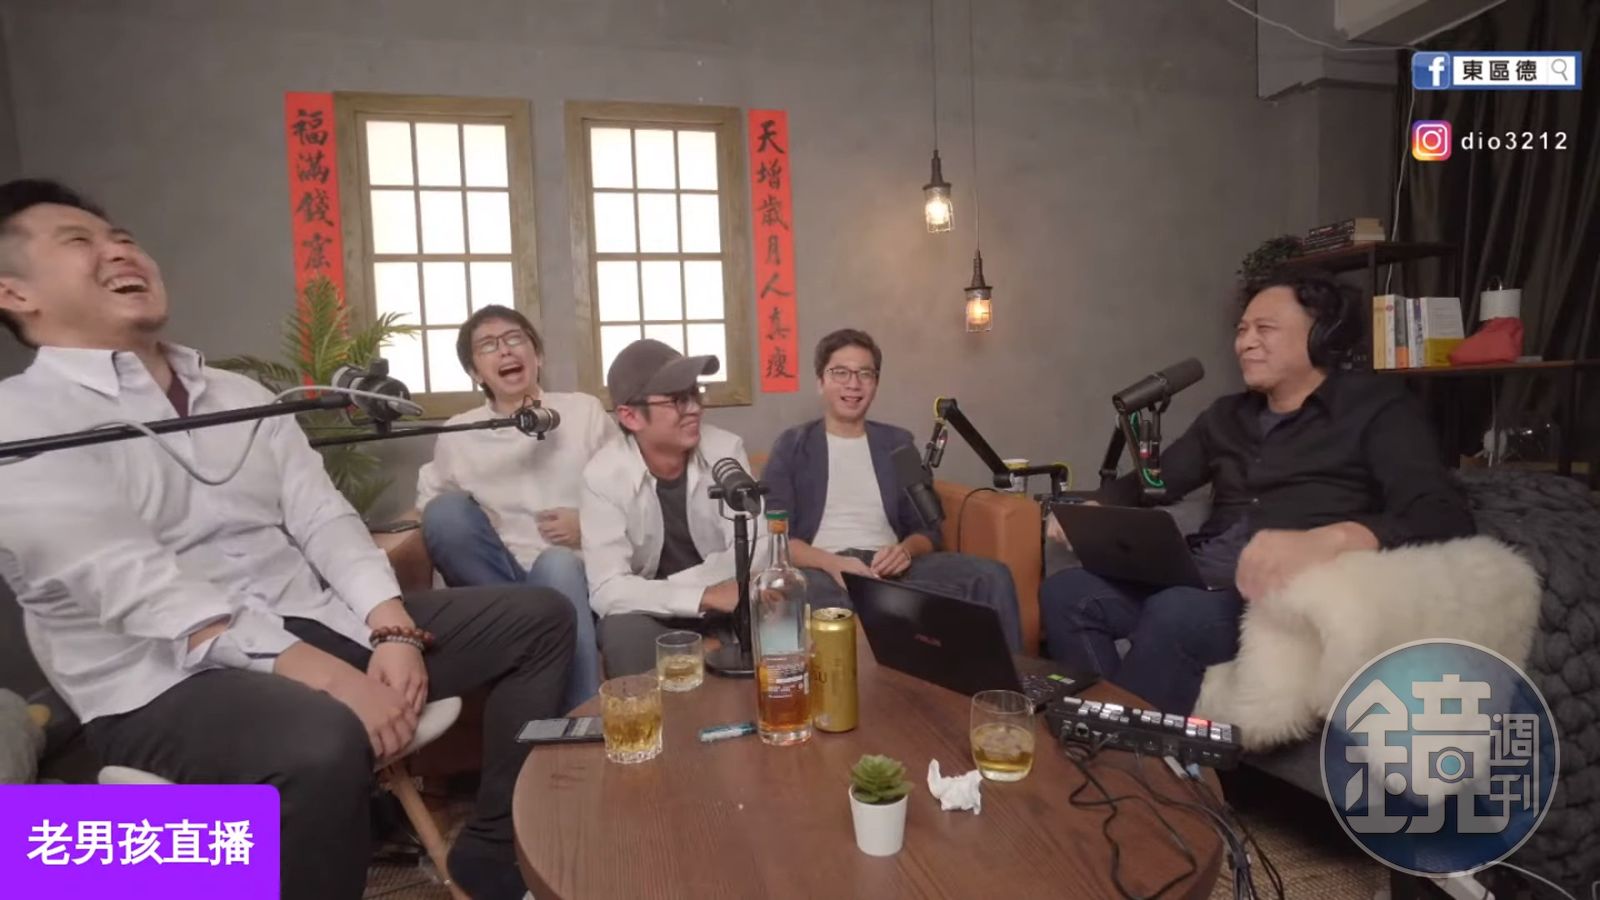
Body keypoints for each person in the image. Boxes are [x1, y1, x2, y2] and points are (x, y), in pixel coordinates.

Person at [0, 179, 572, 900]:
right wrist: (335, 681)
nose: (118, 251)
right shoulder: (19, 420)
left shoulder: (237, 396)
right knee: (322, 737)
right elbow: (136, 586)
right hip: (162, 681)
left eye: (123, 238)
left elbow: (322, 517)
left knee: (538, 618)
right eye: (79, 242)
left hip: (311, 620)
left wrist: (391, 627)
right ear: (15, 293)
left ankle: (491, 852)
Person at [1039, 269, 1475, 714]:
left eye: (1264, 329)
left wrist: (1338, 537)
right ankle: (1093, 726)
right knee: (1068, 593)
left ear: (1320, 336)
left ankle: (1120, 747)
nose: (1245, 343)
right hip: (1199, 579)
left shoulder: (1378, 409)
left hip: (1279, 598)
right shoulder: (1226, 416)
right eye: (1242, 330)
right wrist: (1098, 507)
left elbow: (1443, 514)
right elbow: (1153, 482)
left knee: (1176, 612)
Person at [762, 328, 1024, 649]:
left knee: (991, 576)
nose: (853, 384)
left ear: (875, 384)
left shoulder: (898, 443)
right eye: (840, 372)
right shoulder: (792, 446)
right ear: (820, 381)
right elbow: (778, 537)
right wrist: (833, 564)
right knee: (796, 594)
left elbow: (928, 532)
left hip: (890, 567)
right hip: (822, 568)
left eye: (865, 374)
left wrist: (904, 552)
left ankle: (1010, 682)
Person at [417, 304, 612, 713]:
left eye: (514, 339)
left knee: (557, 563)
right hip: (499, 585)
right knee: (446, 512)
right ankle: (521, 627)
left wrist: (589, 523)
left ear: (537, 355)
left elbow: (628, 491)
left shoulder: (583, 411)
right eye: (488, 345)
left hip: (571, 572)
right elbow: (429, 507)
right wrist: (473, 518)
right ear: (475, 372)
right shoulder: (459, 432)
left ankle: (582, 717)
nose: (505, 350)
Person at [580, 338, 756, 677]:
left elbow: (754, 547)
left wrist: (713, 594)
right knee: (621, 631)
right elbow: (606, 589)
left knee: (791, 594)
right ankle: (702, 656)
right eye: (677, 399)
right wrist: (702, 595)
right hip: (658, 614)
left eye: (695, 393)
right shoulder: (602, 476)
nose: (694, 409)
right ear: (630, 416)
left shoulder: (725, 450)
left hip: (731, 602)